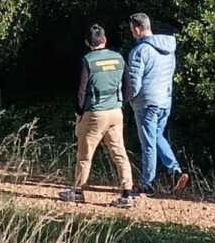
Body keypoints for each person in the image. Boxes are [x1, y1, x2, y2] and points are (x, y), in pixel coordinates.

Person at [59, 25, 136, 209]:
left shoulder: (87, 60)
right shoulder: (118, 58)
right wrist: (120, 104)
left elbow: (81, 91)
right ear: (105, 40)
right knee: (119, 153)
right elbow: (129, 88)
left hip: (94, 113)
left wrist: (80, 112)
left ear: (87, 42)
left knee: (85, 155)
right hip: (115, 112)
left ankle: (78, 191)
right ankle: (127, 194)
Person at [125, 13, 189, 197]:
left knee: (148, 143)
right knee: (157, 136)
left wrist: (128, 99)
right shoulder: (169, 49)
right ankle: (175, 171)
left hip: (147, 103)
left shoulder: (139, 52)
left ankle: (147, 184)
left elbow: (134, 84)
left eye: (132, 29)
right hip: (164, 101)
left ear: (137, 29)